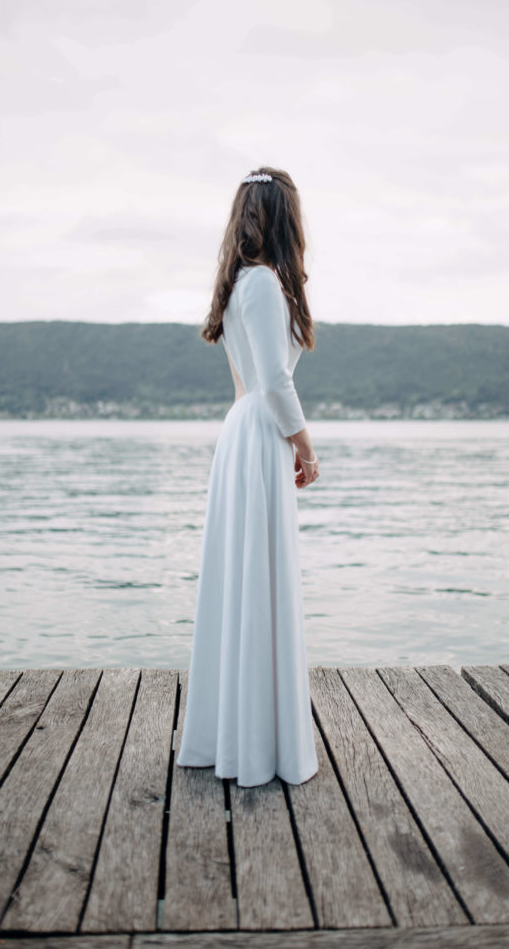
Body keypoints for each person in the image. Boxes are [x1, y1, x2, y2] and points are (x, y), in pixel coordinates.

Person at [175, 166, 320, 787]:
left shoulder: (241, 284)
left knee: (245, 581)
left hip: (244, 430)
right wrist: (305, 449)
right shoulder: (261, 284)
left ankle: (237, 733)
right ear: (281, 215)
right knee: (256, 581)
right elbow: (274, 380)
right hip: (259, 433)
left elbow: (247, 383)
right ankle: (258, 742)